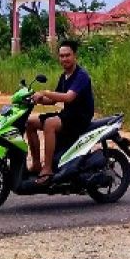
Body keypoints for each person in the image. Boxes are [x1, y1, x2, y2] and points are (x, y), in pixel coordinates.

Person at [26, 39, 95, 183]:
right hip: (68, 115)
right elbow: (53, 100)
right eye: (61, 56)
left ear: (74, 55)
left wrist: (45, 92)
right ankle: (37, 164)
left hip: (80, 118)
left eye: (67, 55)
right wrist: (36, 99)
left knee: (50, 124)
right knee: (29, 123)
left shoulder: (81, 75)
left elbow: (68, 97)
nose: (64, 59)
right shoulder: (64, 76)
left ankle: (48, 168)